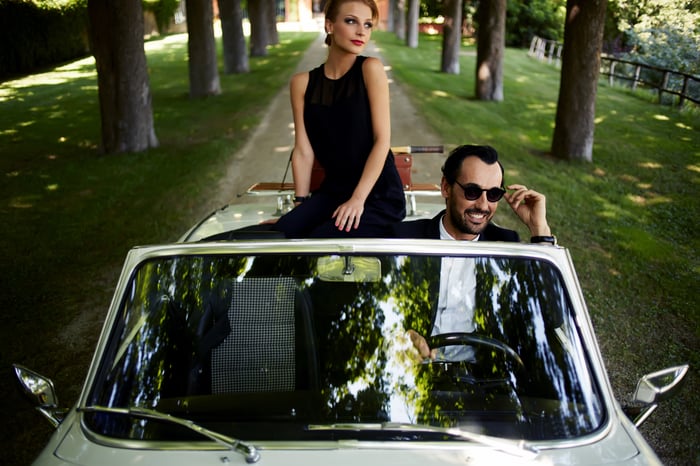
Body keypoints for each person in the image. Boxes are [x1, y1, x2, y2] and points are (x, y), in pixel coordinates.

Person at [392, 144, 556, 361]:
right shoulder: (404, 238)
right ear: (446, 188)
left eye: (494, 194)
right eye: (472, 191)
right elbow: (380, 310)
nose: (483, 205)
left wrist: (540, 231)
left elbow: (551, 317)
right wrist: (401, 335)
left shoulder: (505, 245)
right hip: (413, 367)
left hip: (482, 377)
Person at [273, 0, 406, 238]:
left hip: (377, 195)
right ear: (329, 26)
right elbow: (303, 150)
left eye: (367, 24)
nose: (361, 31)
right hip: (333, 193)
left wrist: (357, 199)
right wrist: (301, 203)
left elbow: (381, 141)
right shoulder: (302, 83)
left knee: (318, 242)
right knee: (283, 234)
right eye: (351, 21)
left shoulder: (371, 69)